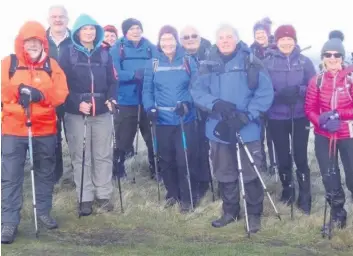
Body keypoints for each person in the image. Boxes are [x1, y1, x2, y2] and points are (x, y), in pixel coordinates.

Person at [191, 24, 274, 233]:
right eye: (221, 37)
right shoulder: (207, 64)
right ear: (216, 41)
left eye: (229, 37)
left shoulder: (250, 61)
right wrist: (215, 103)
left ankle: (254, 214)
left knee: (250, 172)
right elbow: (197, 90)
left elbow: (265, 92)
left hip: (247, 127)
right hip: (218, 127)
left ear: (237, 40)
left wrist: (247, 115)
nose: (225, 41)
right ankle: (230, 211)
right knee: (224, 171)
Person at [1, 21, 69, 244]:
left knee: (44, 172)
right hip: (13, 130)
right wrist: (20, 92)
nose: (32, 44)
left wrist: (40, 97)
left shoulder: (52, 65)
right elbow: (3, 91)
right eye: (28, 41)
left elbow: (61, 93)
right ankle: (9, 221)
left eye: (36, 41)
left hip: (45, 129)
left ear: (43, 43)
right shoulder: (9, 63)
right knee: (11, 176)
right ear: (21, 42)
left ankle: (43, 212)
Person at [59, 14, 117, 216]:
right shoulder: (67, 53)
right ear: (77, 32)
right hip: (77, 114)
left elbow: (113, 81)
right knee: (81, 156)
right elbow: (61, 84)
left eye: (92, 28)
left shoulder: (104, 53)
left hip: (102, 112)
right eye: (85, 29)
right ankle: (85, 198)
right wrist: (76, 103)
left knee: (103, 155)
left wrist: (112, 98)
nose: (89, 32)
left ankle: (103, 195)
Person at [143, 25, 198, 212]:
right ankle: (172, 194)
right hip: (162, 119)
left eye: (171, 39)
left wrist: (187, 103)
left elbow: (196, 87)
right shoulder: (153, 63)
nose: (167, 43)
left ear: (177, 41)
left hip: (184, 118)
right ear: (159, 42)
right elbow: (147, 90)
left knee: (184, 159)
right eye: (164, 40)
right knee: (166, 159)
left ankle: (187, 197)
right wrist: (149, 107)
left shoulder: (188, 61)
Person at [263, 25, 316, 214]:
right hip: (276, 117)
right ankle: (288, 190)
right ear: (277, 42)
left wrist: (298, 91)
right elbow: (264, 88)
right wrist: (278, 95)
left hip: (299, 116)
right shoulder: (267, 62)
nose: (286, 42)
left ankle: (305, 195)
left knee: (300, 156)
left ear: (295, 41)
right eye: (282, 39)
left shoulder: (304, 61)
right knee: (283, 157)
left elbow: (313, 85)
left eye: (289, 39)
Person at [305, 37, 353, 231]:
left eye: (336, 55)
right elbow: (309, 109)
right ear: (323, 57)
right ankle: (337, 215)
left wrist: (337, 114)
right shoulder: (316, 80)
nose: (332, 58)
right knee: (329, 175)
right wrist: (322, 120)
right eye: (328, 54)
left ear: (342, 57)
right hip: (324, 135)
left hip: (348, 134)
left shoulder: (351, 79)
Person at [110, 18, 157, 180]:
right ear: (125, 32)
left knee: (152, 137)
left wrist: (149, 75)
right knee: (123, 138)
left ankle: (155, 168)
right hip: (125, 100)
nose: (136, 31)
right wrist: (133, 75)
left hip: (147, 100)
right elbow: (114, 72)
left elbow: (157, 66)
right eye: (131, 29)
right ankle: (118, 170)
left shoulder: (151, 48)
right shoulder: (117, 48)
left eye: (138, 28)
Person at [180, 26, 213, 201]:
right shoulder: (177, 57)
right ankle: (189, 182)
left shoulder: (210, 54)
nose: (190, 39)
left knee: (203, 147)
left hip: (206, 109)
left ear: (200, 38)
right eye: (186, 37)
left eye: (194, 36)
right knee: (188, 148)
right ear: (181, 40)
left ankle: (204, 181)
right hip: (184, 109)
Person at [46, 5, 72, 184]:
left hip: (73, 97)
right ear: (48, 19)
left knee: (75, 138)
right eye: (54, 16)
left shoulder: (75, 40)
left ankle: (79, 175)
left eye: (61, 16)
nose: (58, 20)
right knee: (52, 139)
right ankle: (55, 177)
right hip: (48, 99)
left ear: (67, 19)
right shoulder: (40, 40)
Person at [250, 21, 277, 174]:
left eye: (262, 33)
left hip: (274, 100)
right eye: (257, 34)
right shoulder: (250, 51)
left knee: (272, 134)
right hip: (256, 98)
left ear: (268, 34)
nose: (260, 36)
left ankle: (274, 164)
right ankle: (261, 163)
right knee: (258, 134)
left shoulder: (276, 49)